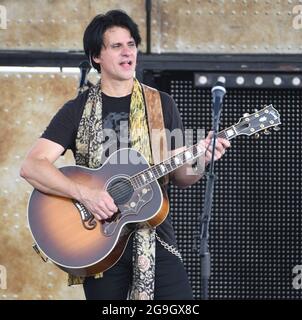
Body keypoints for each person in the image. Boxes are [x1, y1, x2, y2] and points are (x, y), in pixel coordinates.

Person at [20, 10, 230, 300]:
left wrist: (203, 157)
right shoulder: (77, 110)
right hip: (98, 241)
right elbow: (32, 166)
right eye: (116, 46)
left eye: (131, 44)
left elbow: (181, 177)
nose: (127, 52)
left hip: (155, 238)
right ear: (96, 56)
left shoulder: (161, 105)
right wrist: (85, 194)